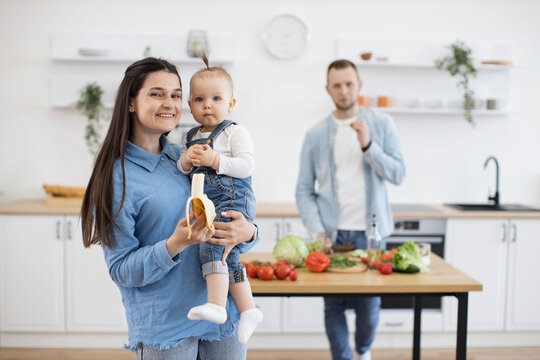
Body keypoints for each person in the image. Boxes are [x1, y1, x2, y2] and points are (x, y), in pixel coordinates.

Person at [80, 57, 258, 360]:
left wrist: (249, 231)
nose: (170, 103)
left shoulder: (188, 157)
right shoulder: (116, 179)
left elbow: (238, 200)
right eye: (156, 93)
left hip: (222, 317)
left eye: (176, 95)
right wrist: (176, 244)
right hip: (166, 327)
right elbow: (121, 269)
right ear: (131, 102)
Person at [295, 59, 406, 360]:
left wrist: (369, 145)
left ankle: (364, 351)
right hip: (333, 235)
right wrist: (317, 231)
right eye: (337, 85)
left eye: (349, 84)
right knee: (333, 306)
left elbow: (398, 174)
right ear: (328, 89)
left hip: (371, 235)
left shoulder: (381, 124)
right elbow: (304, 190)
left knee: (369, 306)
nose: (343, 91)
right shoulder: (316, 134)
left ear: (359, 86)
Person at [178, 54, 263, 344]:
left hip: (234, 198)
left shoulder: (234, 132)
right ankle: (249, 309)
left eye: (216, 98)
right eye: (199, 99)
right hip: (210, 200)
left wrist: (215, 160)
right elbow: (181, 169)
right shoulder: (189, 135)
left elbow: (246, 166)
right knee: (232, 256)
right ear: (190, 105)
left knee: (213, 246)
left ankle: (216, 304)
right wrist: (186, 162)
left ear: (231, 103)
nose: (207, 105)